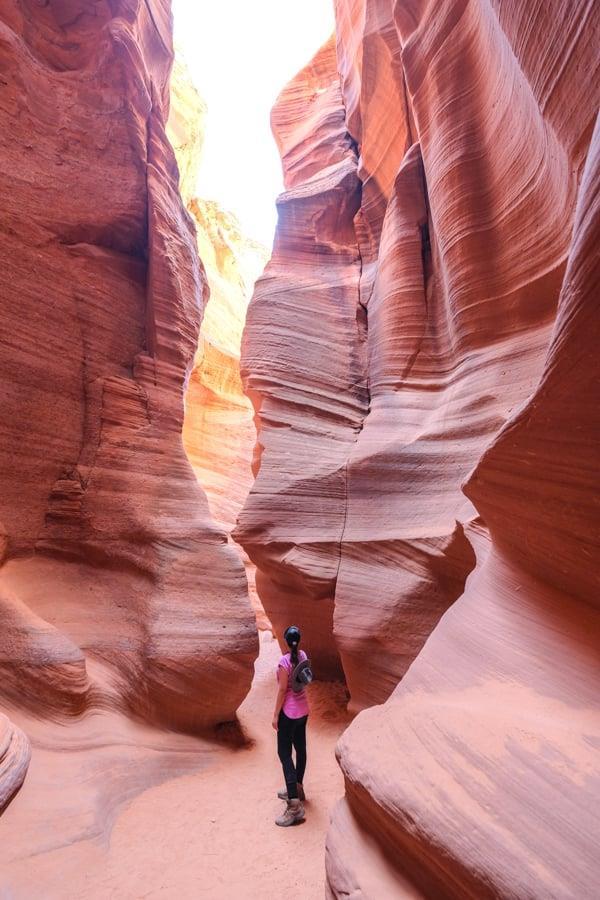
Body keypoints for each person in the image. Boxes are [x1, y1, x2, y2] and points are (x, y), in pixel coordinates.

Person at [272, 624, 309, 827]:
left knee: (284, 754)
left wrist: (275, 715)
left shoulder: (283, 662)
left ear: (286, 641)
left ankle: (294, 807)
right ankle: (298, 787)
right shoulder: (303, 655)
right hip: (303, 711)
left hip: (288, 713)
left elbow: (282, 690)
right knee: (301, 749)